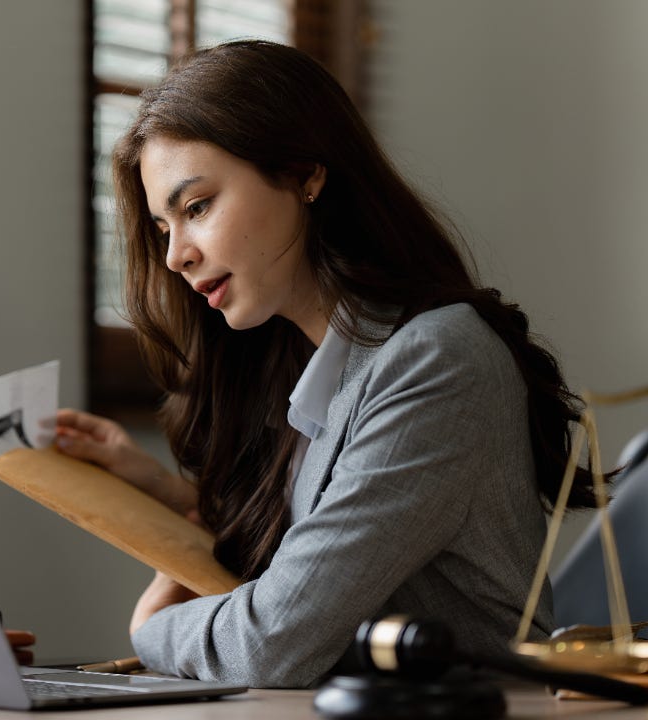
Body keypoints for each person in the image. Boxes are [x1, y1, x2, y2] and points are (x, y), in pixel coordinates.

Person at [55, 40, 597, 688]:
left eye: (196, 207)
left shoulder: (438, 361)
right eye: (165, 228)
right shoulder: (315, 368)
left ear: (306, 174)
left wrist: (152, 631)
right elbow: (315, 550)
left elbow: (273, 641)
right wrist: (163, 495)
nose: (176, 257)